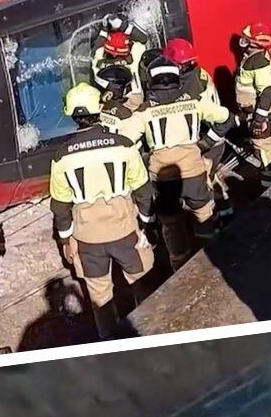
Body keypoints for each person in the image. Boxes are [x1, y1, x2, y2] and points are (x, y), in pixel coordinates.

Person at [48, 85, 157, 339]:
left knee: (100, 298)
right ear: (99, 110)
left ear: (72, 115)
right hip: (125, 231)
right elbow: (143, 191)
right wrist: (145, 223)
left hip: (88, 239)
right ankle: (151, 334)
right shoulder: (124, 145)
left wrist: (66, 240)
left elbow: (61, 208)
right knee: (142, 284)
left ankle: (109, 342)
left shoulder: (61, 157)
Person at [132, 51, 228, 263]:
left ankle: (179, 263)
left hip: (162, 178)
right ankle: (214, 255)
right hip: (193, 172)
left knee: (171, 223)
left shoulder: (144, 111)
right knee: (203, 213)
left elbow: (124, 140)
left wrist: (144, 158)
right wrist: (206, 142)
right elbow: (226, 119)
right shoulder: (194, 102)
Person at [226, 28, 271, 180]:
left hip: (260, 113)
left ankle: (269, 178)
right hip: (254, 111)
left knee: (263, 145)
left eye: (246, 40)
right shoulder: (254, 57)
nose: (242, 43)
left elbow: (267, 92)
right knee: (262, 143)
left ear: (255, 44)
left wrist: (259, 120)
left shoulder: (258, 63)